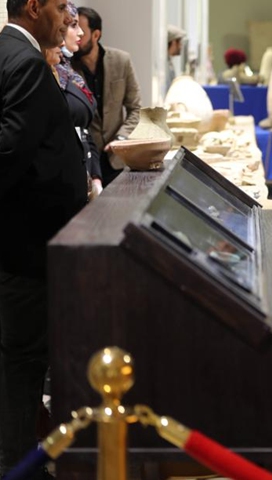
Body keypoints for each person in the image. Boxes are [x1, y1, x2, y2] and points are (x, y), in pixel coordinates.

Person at [0, 0, 88, 476]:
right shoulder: (28, 63)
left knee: (21, 364)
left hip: (24, 242)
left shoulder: (8, 51)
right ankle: (18, 469)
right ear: (33, 7)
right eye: (58, 6)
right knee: (23, 366)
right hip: (28, 247)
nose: (67, 17)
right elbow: (10, 152)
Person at [72, 7, 141, 187]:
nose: (77, 35)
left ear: (96, 35)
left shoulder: (121, 60)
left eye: (81, 31)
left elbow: (136, 109)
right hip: (86, 160)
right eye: (73, 28)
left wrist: (121, 138)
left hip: (118, 158)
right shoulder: (67, 67)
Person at [53, 1, 101, 198]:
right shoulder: (53, 71)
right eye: (73, 25)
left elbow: (85, 130)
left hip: (85, 168)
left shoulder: (69, 70)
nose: (80, 33)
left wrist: (96, 174)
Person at [166, 24, 186, 92]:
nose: (181, 46)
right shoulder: (165, 66)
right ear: (174, 42)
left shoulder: (169, 62)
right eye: (180, 42)